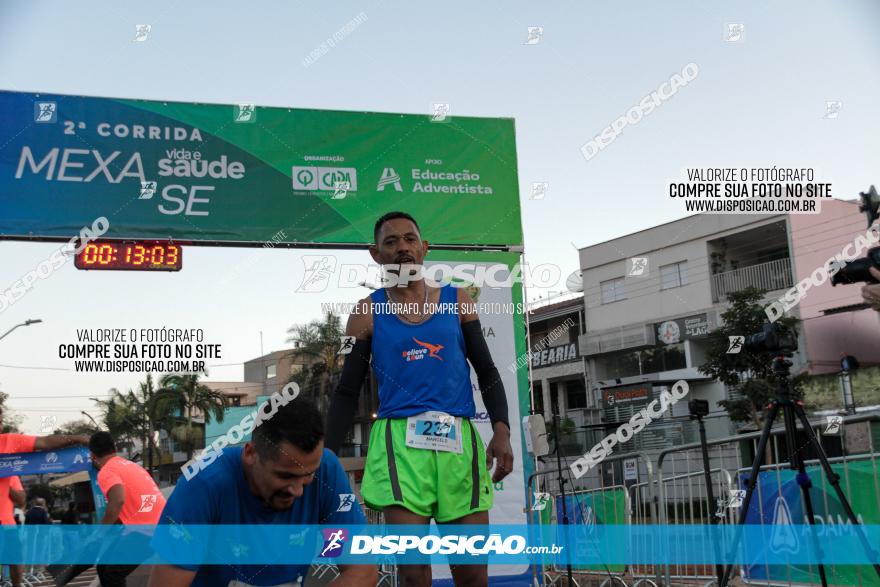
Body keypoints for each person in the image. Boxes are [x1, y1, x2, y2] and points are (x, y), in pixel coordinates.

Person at [324, 211, 514, 587]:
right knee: (412, 572)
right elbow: (347, 391)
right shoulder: (365, 314)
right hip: (399, 449)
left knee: (472, 570)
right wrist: (326, 453)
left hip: (459, 446)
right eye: (390, 242)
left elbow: (488, 372)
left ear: (424, 248)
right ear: (376, 254)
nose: (402, 248)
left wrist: (502, 431)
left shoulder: (458, 300)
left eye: (409, 239)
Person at [148, 395, 376, 587]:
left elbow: (363, 571)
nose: (297, 490)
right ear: (250, 454)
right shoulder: (204, 485)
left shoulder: (326, 470)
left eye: (308, 475)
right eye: (285, 476)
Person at [0, 408, 89, 587]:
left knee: (16, 561)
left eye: (0, 419)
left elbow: (45, 442)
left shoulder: (7, 442)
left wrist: (79, 438)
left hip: (5, 523)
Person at [89, 431, 166, 586]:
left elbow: (117, 501)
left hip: (148, 530)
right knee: (104, 566)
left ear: (92, 455)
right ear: (114, 448)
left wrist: (99, 533)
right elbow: (123, 511)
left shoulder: (106, 471)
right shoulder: (132, 466)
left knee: (113, 574)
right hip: (160, 523)